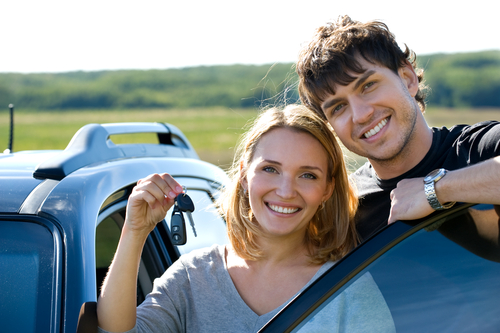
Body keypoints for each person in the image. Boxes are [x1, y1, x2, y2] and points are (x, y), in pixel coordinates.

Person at [96, 105, 396, 333]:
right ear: (243, 174)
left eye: (307, 175)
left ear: (327, 189)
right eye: (270, 169)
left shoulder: (349, 289)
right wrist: (134, 231)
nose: (286, 190)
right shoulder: (194, 277)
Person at [295, 15, 500, 251]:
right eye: (338, 107)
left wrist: (435, 190)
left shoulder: (481, 150)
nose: (360, 115)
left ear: (408, 79)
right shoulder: (345, 210)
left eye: (368, 86)